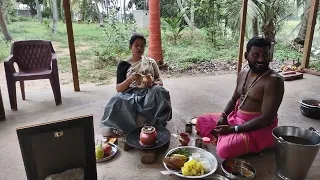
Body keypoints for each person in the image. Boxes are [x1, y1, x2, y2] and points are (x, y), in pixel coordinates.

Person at [196, 37, 285, 159]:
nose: (261, 59)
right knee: (202, 120)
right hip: (236, 118)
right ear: (246, 55)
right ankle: (230, 138)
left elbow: (266, 119)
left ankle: (246, 143)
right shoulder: (244, 72)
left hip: (258, 128)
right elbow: (234, 100)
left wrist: (233, 129)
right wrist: (223, 116)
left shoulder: (274, 81)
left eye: (265, 54)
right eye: (256, 54)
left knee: (224, 150)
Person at [100, 34, 172, 135]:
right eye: (136, 45)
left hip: (149, 92)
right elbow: (119, 89)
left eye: (142, 46)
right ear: (131, 47)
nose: (139, 48)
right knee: (116, 99)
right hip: (130, 94)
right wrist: (130, 80)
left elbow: (160, 82)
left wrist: (152, 83)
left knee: (160, 91)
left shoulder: (150, 62)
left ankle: (158, 123)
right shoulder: (124, 65)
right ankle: (126, 127)